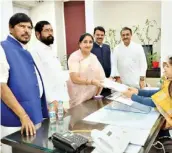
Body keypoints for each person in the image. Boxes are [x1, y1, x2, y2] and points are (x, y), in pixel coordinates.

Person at [0, 13, 48, 152]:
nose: (26, 30)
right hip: (17, 121)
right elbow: (1, 87)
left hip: (33, 118)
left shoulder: (25, 50)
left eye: (29, 27)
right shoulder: (3, 48)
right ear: (10, 28)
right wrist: (24, 116)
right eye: (21, 26)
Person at [123, 55, 172, 137]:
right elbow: (159, 93)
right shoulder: (168, 81)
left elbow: (155, 102)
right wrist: (138, 91)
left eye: (167, 66)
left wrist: (133, 96)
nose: (164, 68)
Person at [30, 21, 69, 111]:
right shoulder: (35, 51)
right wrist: (51, 100)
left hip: (59, 97)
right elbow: (41, 78)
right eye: (46, 30)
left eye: (51, 30)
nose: (50, 33)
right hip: (49, 100)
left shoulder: (50, 49)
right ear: (38, 34)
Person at [67, 33, 105, 108]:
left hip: (91, 95)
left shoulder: (93, 57)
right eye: (85, 42)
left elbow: (100, 75)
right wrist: (91, 82)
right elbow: (74, 79)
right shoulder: (74, 57)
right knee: (78, 117)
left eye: (90, 42)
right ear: (79, 44)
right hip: (78, 96)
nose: (88, 45)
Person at [91, 26, 111, 96]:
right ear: (94, 35)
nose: (100, 36)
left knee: (108, 100)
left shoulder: (107, 47)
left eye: (102, 35)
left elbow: (110, 62)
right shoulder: (90, 47)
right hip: (96, 82)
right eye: (98, 35)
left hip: (107, 80)